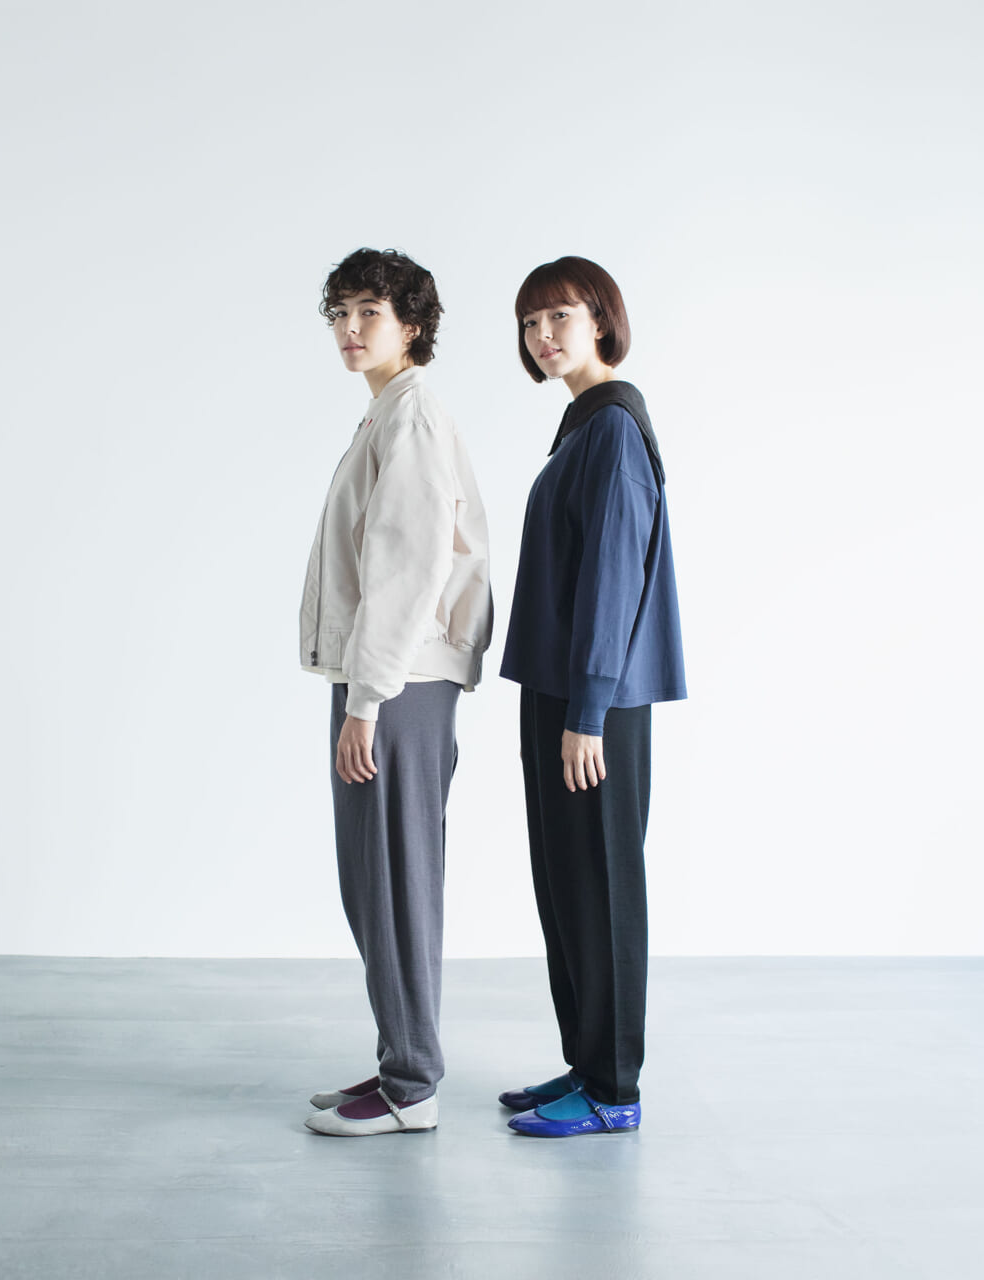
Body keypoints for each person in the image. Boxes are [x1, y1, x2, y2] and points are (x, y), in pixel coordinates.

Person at [299, 248, 492, 1136]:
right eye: (339, 313)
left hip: (400, 682)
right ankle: (398, 1060)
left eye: (368, 312)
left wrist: (367, 700)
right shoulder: (388, 411)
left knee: (397, 881)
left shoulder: (411, 416)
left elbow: (410, 569)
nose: (349, 328)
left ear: (411, 325)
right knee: (372, 880)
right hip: (385, 677)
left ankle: (412, 1085)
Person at [498, 256, 685, 1137]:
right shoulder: (580, 427)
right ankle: (585, 1063)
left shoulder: (612, 428)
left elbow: (614, 579)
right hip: (560, 692)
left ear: (601, 320)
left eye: (559, 317)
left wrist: (587, 712)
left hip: (593, 706)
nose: (543, 335)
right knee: (566, 882)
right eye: (530, 323)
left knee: (603, 886)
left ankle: (614, 1089)